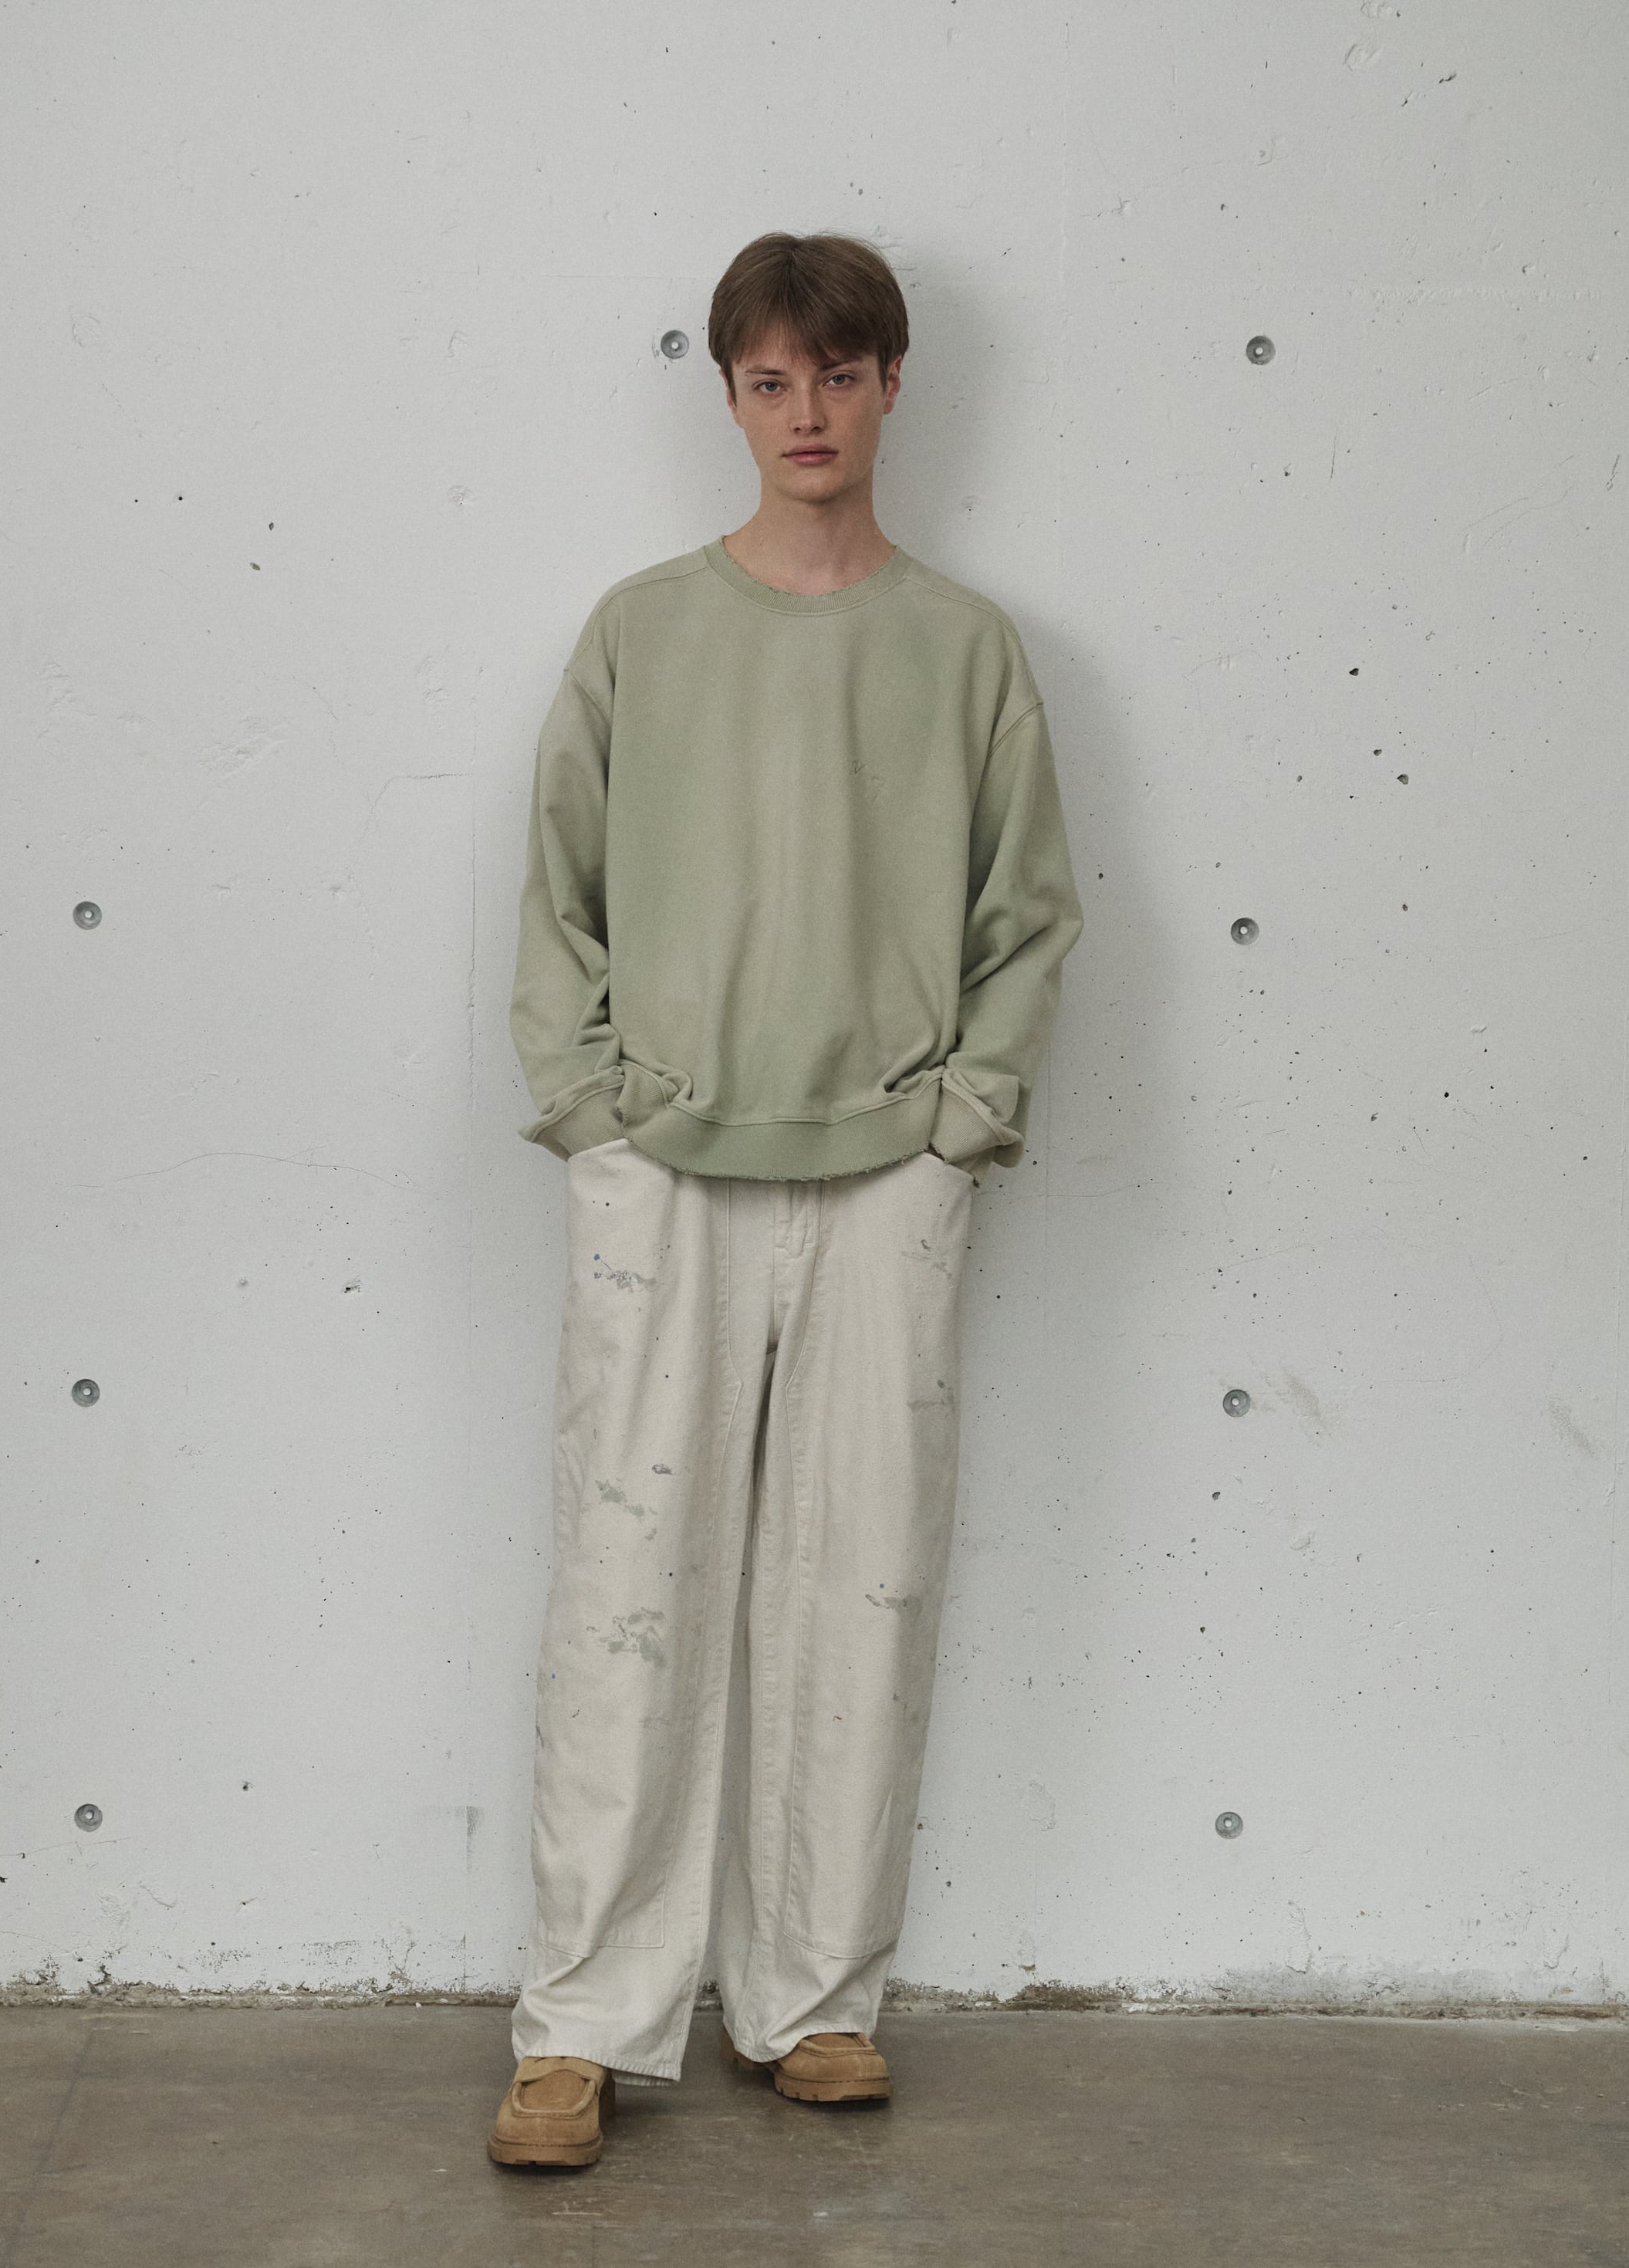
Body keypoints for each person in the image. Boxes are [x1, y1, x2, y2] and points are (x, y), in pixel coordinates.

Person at [490, 231, 1083, 2168]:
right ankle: (581, 2021)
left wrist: (962, 1115)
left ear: (892, 383)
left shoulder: (964, 646)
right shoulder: (642, 630)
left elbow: (1027, 910)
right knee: (624, 1589)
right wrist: (591, 1108)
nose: (805, 411)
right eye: (768, 378)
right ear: (727, 397)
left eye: (837, 374)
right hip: (660, 1161)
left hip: (887, 1167)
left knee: (863, 1581)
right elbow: (557, 891)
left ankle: (815, 1999)